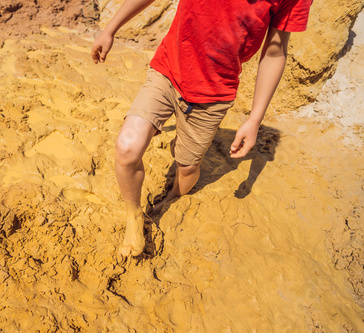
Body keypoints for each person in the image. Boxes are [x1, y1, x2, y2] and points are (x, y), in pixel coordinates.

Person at [91, 0, 312, 257]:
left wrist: (254, 120)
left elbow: (274, 52)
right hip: (167, 70)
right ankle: (134, 217)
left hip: (214, 93)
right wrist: (110, 29)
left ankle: (171, 197)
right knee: (127, 147)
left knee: (186, 168)